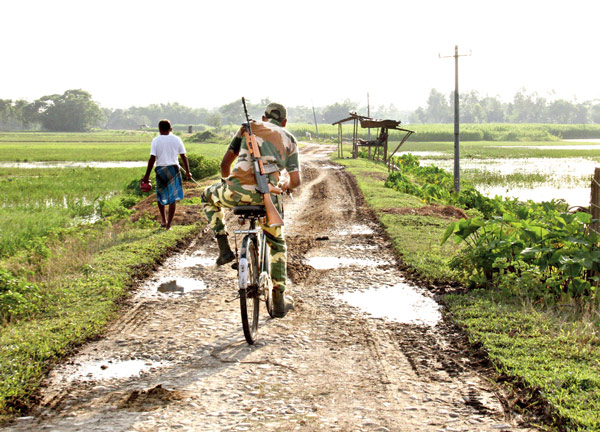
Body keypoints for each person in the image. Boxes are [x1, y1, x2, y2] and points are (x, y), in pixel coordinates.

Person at [201, 102, 301, 318]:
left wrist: (228, 184)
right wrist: (284, 186)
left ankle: (223, 248)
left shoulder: (248, 127)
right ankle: (279, 298)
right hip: (268, 199)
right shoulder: (289, 139)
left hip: (235, 192)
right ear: (284, 122)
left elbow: (225, 164)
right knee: (277, 244)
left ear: (264, 118)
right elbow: (296, 181)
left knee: (206, 197)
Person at [142, 119, 192, 230]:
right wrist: (188, 172)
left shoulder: (156, 140)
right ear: (171, 129)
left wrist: (146, 176)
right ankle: (168, 225)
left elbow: (152, 159)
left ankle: (163, 221)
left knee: (160, 195)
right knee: (172, 197)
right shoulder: (177, 139)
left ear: (159, 129)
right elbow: (184, 156)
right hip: (174, 169)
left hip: (160, 170)